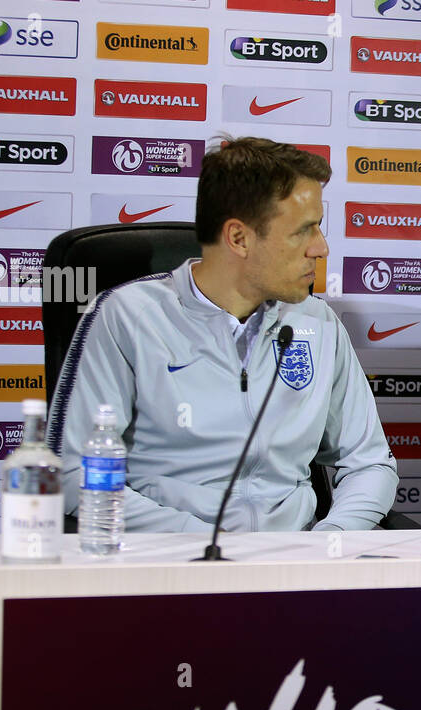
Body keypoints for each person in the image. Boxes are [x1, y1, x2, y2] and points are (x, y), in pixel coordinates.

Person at [49, 137, 397, 532]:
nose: (321, 248)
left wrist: (330, 540)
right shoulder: (128, 316)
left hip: (294, 562)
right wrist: (205, 542)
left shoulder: (318, 323)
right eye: (304, 231)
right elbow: (74, 472)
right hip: (170, 562)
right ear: (239, 238)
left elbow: (369, 462)